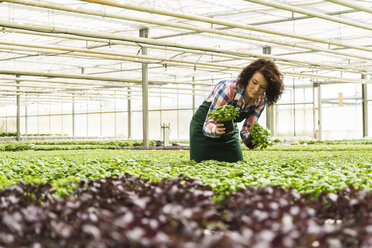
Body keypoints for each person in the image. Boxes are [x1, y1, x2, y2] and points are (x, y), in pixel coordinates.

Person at [189, 58, 284, 163]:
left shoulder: (261, 101)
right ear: (248, 78)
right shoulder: (228, 89)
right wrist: (215, 130)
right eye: (254, 82)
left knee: (236, 161)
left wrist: (251, 140)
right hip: (204, 126)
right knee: (202, 164)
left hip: (229, 128)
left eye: (262, 87)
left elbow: (247, 130)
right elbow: (209, 122)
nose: (256, 89)